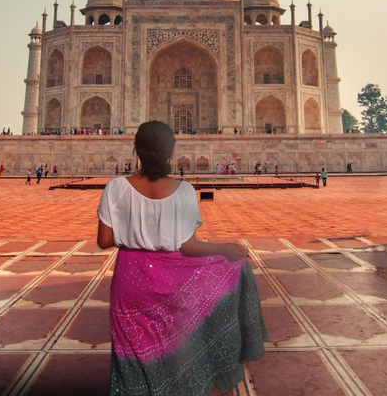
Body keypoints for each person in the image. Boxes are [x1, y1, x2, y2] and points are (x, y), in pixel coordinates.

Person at [97, 121, 266, 394]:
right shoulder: (184, 191)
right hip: (170, 279)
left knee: (131, 351)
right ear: (170, 152)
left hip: (130, 280)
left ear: (136, 149)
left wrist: (133, 236)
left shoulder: (116, 187)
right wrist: (223, 249)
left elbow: (104, 241)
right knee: (171, 345)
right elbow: (188, 247)